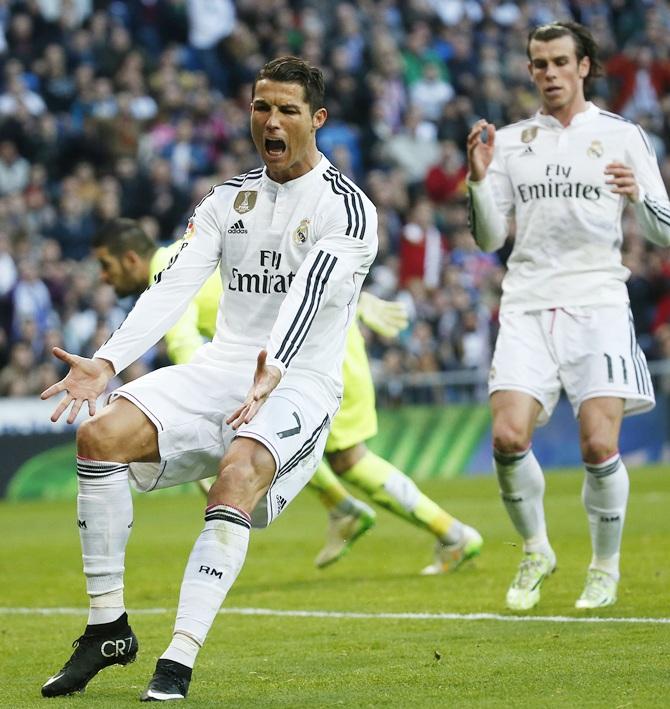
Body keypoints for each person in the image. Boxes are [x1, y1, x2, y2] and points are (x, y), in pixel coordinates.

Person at [40, 56, 379, 702]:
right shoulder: (228, 200)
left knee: (236, 473)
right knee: (99, 436)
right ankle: (107, 625)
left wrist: (272, 370)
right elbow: (171, 287)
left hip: (300, 378)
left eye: (286, 110)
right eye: (261, 107)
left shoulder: (348, 210)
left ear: (318, 120)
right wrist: (107, 361)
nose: (270, 121)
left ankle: (178, 658)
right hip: (223, 368)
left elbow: (307, 297)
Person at [92, 218, 483, 572]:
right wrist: (354, 300)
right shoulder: (195, 247)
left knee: (344, 457)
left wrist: (197, 400)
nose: (104, 279)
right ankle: (348, 510)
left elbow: (183, 343)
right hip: (311, 345)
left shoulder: (171, 268)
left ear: (130, 259)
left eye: (106, 266)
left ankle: (451, 534)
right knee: (268, 437)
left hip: (317, 353)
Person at [465, 21, 670, 611]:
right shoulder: (507, 142)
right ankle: (536, 548)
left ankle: (604, 566)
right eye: (539, 63)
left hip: (598, 302)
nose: (549, 73)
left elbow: (662, 228)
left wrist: (639, 195)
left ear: (584, 66)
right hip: (527, 302)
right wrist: (478, 183)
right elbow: (488, 239)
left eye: (559, 62)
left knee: (599, 444)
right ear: (530, 70)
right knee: (507, 435)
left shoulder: (623, 135)